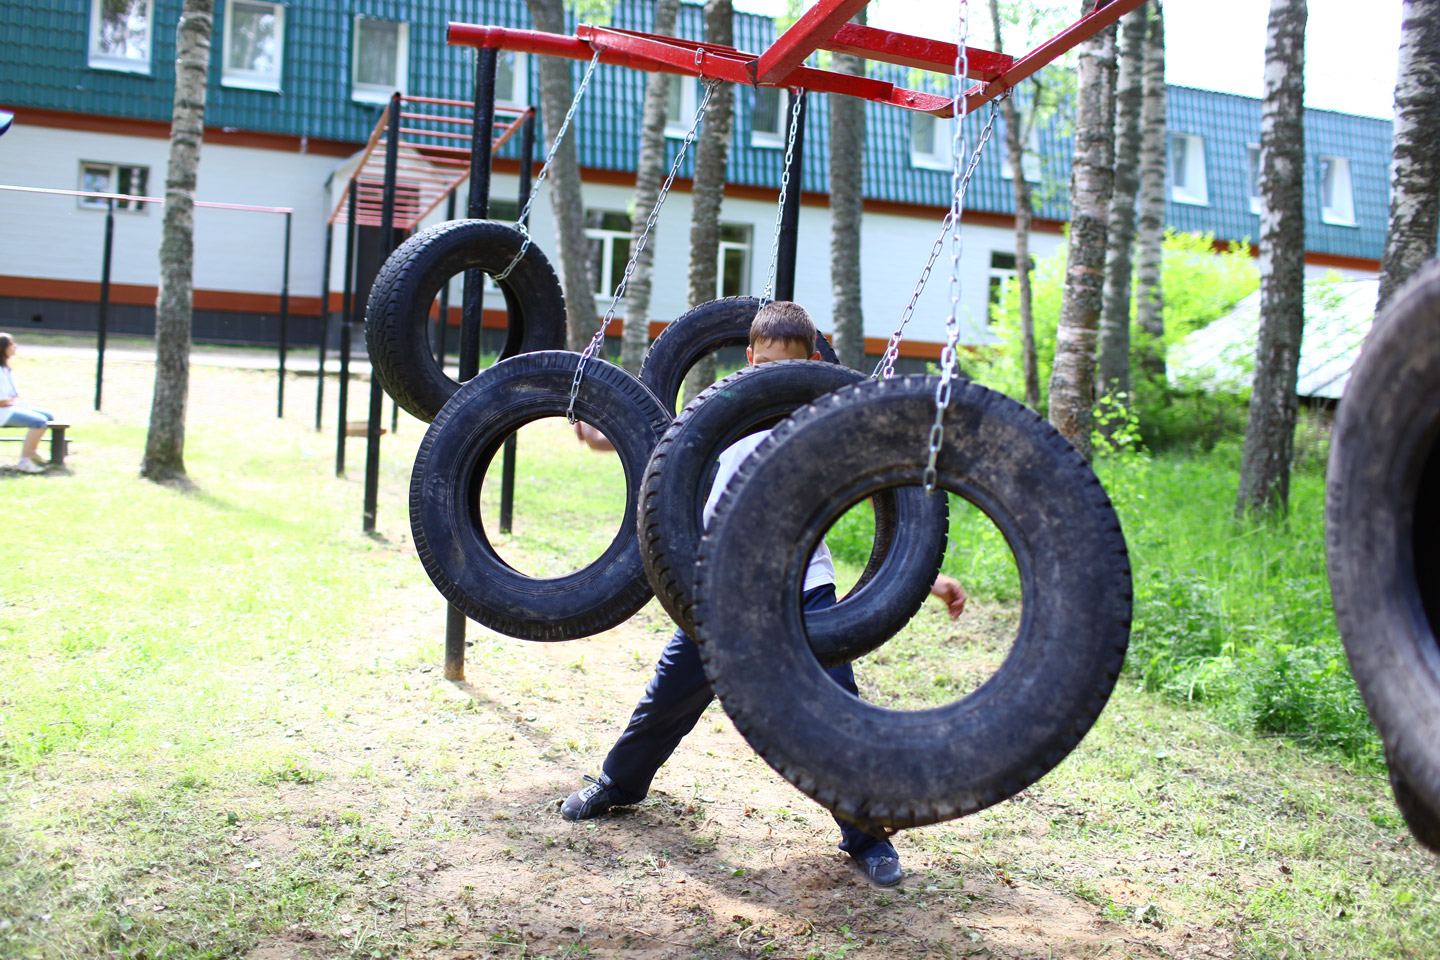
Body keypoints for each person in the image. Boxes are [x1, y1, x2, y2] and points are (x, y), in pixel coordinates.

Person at [563, 301, 967, 887]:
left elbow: (892, 514)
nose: (774, 379)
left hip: (806, 593)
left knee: (835, 713)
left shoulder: (825, 427)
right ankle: (618, 783)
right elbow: (654, 445)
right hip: (720, 588)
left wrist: (925, 579)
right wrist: (595, 429)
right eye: (765, 366)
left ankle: (866, 837)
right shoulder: (720, 416)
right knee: (667, 698)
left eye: (788, 368)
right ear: (750, 358)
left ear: (812, 364)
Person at [0, 333, 57, 474]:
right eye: (12, 344)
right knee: (39, 421)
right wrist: (11, 401)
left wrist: (12, 400)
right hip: (3, 411)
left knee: (49, 416)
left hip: (9, 407)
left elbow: (12, 395)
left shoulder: (6, 369)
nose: (15, 346)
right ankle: (24, 462)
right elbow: (2, 401)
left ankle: (32, 453)